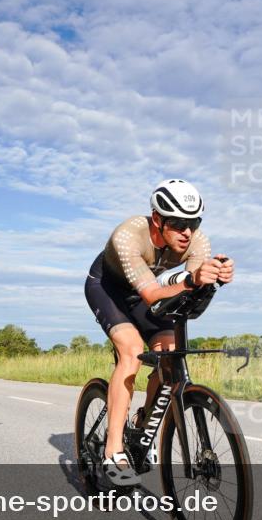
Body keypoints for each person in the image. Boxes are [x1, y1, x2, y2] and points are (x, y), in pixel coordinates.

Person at [84, 179, 234, 485]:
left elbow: (187, 289)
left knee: (168, 355)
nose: (187, 232)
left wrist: (215, 277)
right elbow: (154, 295)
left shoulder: (198, 242)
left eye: (193, 223)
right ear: (157, 219)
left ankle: (143, 421)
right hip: (108, 289)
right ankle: (113, 450)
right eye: (178, 224)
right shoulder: (128, 235)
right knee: (131, 353)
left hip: (146, 291)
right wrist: (193, 281)